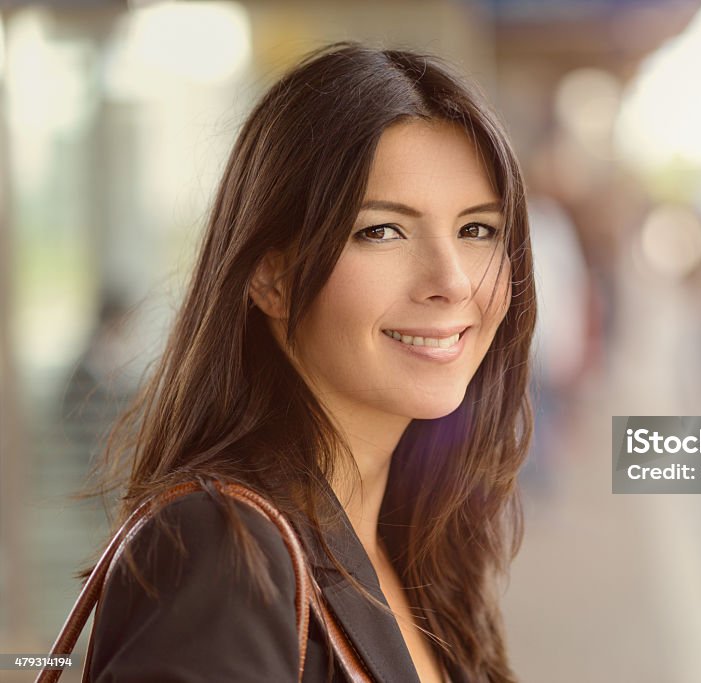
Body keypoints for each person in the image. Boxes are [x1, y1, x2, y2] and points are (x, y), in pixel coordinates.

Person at [79, 42, 536, 682]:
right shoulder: (225, 547)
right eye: (382, 230)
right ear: (271, 276)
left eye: (477, 230)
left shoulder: (413, 543)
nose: (453, 282)